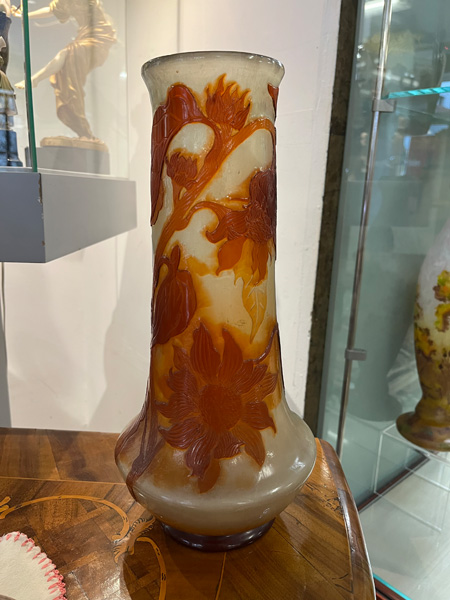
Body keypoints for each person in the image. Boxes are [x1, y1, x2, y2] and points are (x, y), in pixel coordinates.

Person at [13, 0, 116, 139]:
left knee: (68, 53)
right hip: (84, 37)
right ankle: (83, 130)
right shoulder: (66, 2)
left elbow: (102, 18)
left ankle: (35, 79)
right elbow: (51, 10)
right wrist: (25, 15)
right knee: (68, 79)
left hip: (99, 39)